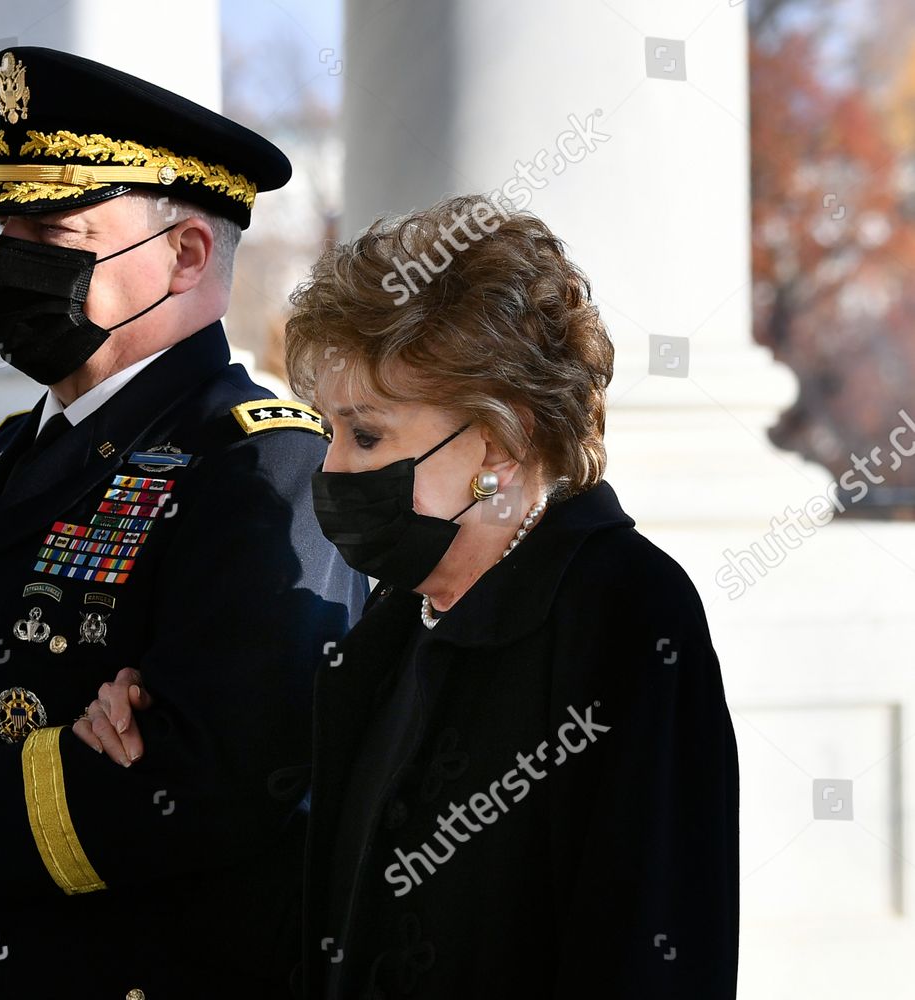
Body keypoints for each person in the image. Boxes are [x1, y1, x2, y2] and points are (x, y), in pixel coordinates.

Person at [79, 195, 741, 998]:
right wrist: (149, 739)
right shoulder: (391, 623)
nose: (330, 472)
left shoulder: (624, 611)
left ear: (499, 439)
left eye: (367, 435)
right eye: (330, 434)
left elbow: (651, 952)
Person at [0, 47, 366, 999]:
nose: (15, 261)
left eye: (53, 231)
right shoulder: (24, 442)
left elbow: (217, 782)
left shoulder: (261, 462)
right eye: (6, 229)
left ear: (184, 256)